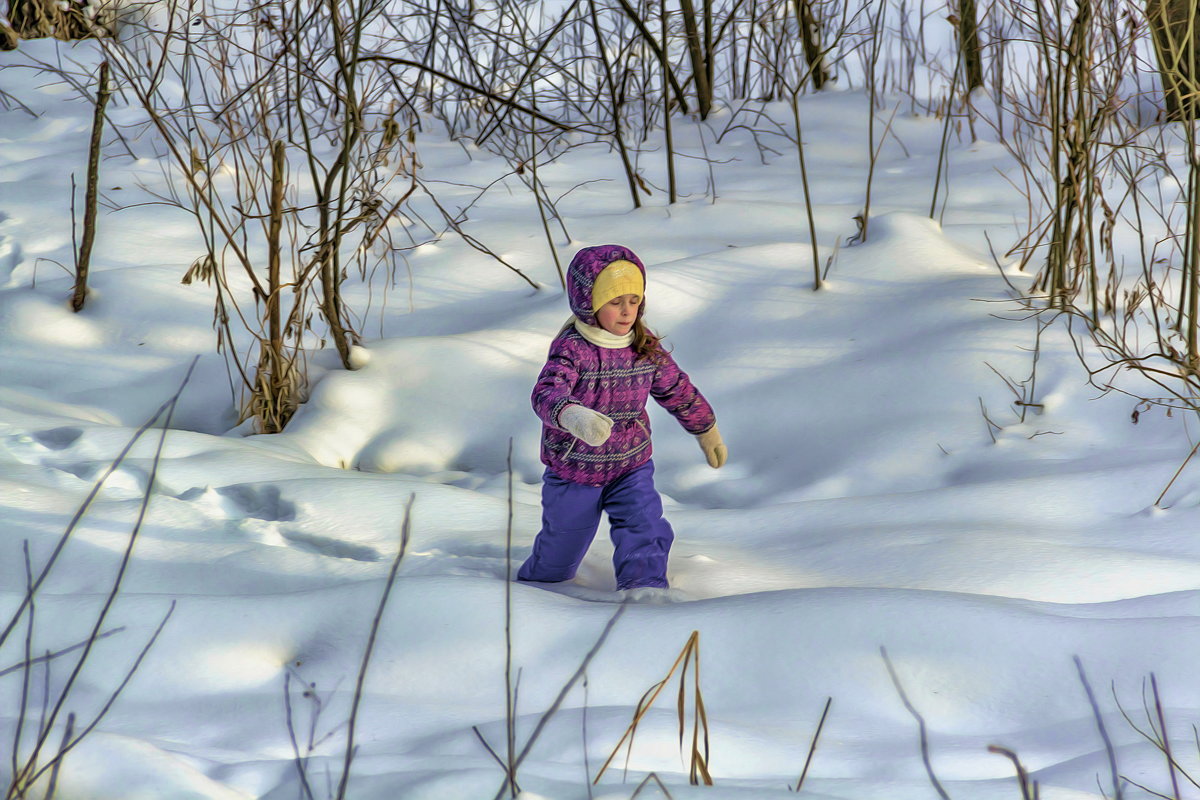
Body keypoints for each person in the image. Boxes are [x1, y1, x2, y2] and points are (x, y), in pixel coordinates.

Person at [518, 244, 727, 593]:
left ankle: (644, 591)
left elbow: (677, 389)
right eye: (615, 302)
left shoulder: (643, 346)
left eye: (633, 300)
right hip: (575, 469)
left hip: (631, 464)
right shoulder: (573, 348)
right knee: (562, 550)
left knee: (644, 525)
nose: (627, 310)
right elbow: (545, 393)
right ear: (589, 303)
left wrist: (707, 430)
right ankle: (536, 591)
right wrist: (575, 417)